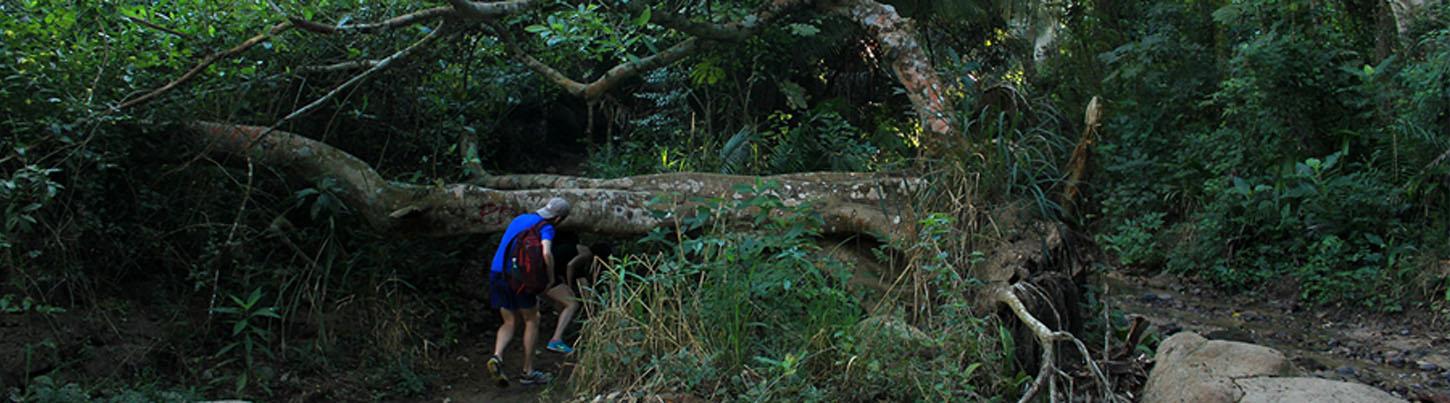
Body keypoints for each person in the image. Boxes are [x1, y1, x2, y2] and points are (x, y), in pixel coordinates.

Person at [486, 197, 570, 388]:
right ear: (558, 218)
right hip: (518, 278)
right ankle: (528, 372)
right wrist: (549, 278)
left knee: (508, 321)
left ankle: (497, 356)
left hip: (497, 273)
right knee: (532, 319)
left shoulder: (520, 219)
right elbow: (546, 253)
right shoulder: (547, 227)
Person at [540, 235, 614, 354]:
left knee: (563, 302)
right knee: (572, 304)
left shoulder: (580, 248)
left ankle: (559, 328)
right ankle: (556, 339)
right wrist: (569, 285)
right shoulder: (586, 254)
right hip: (545, 274)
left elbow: (579, 275)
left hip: (544, 271)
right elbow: (570, 266)